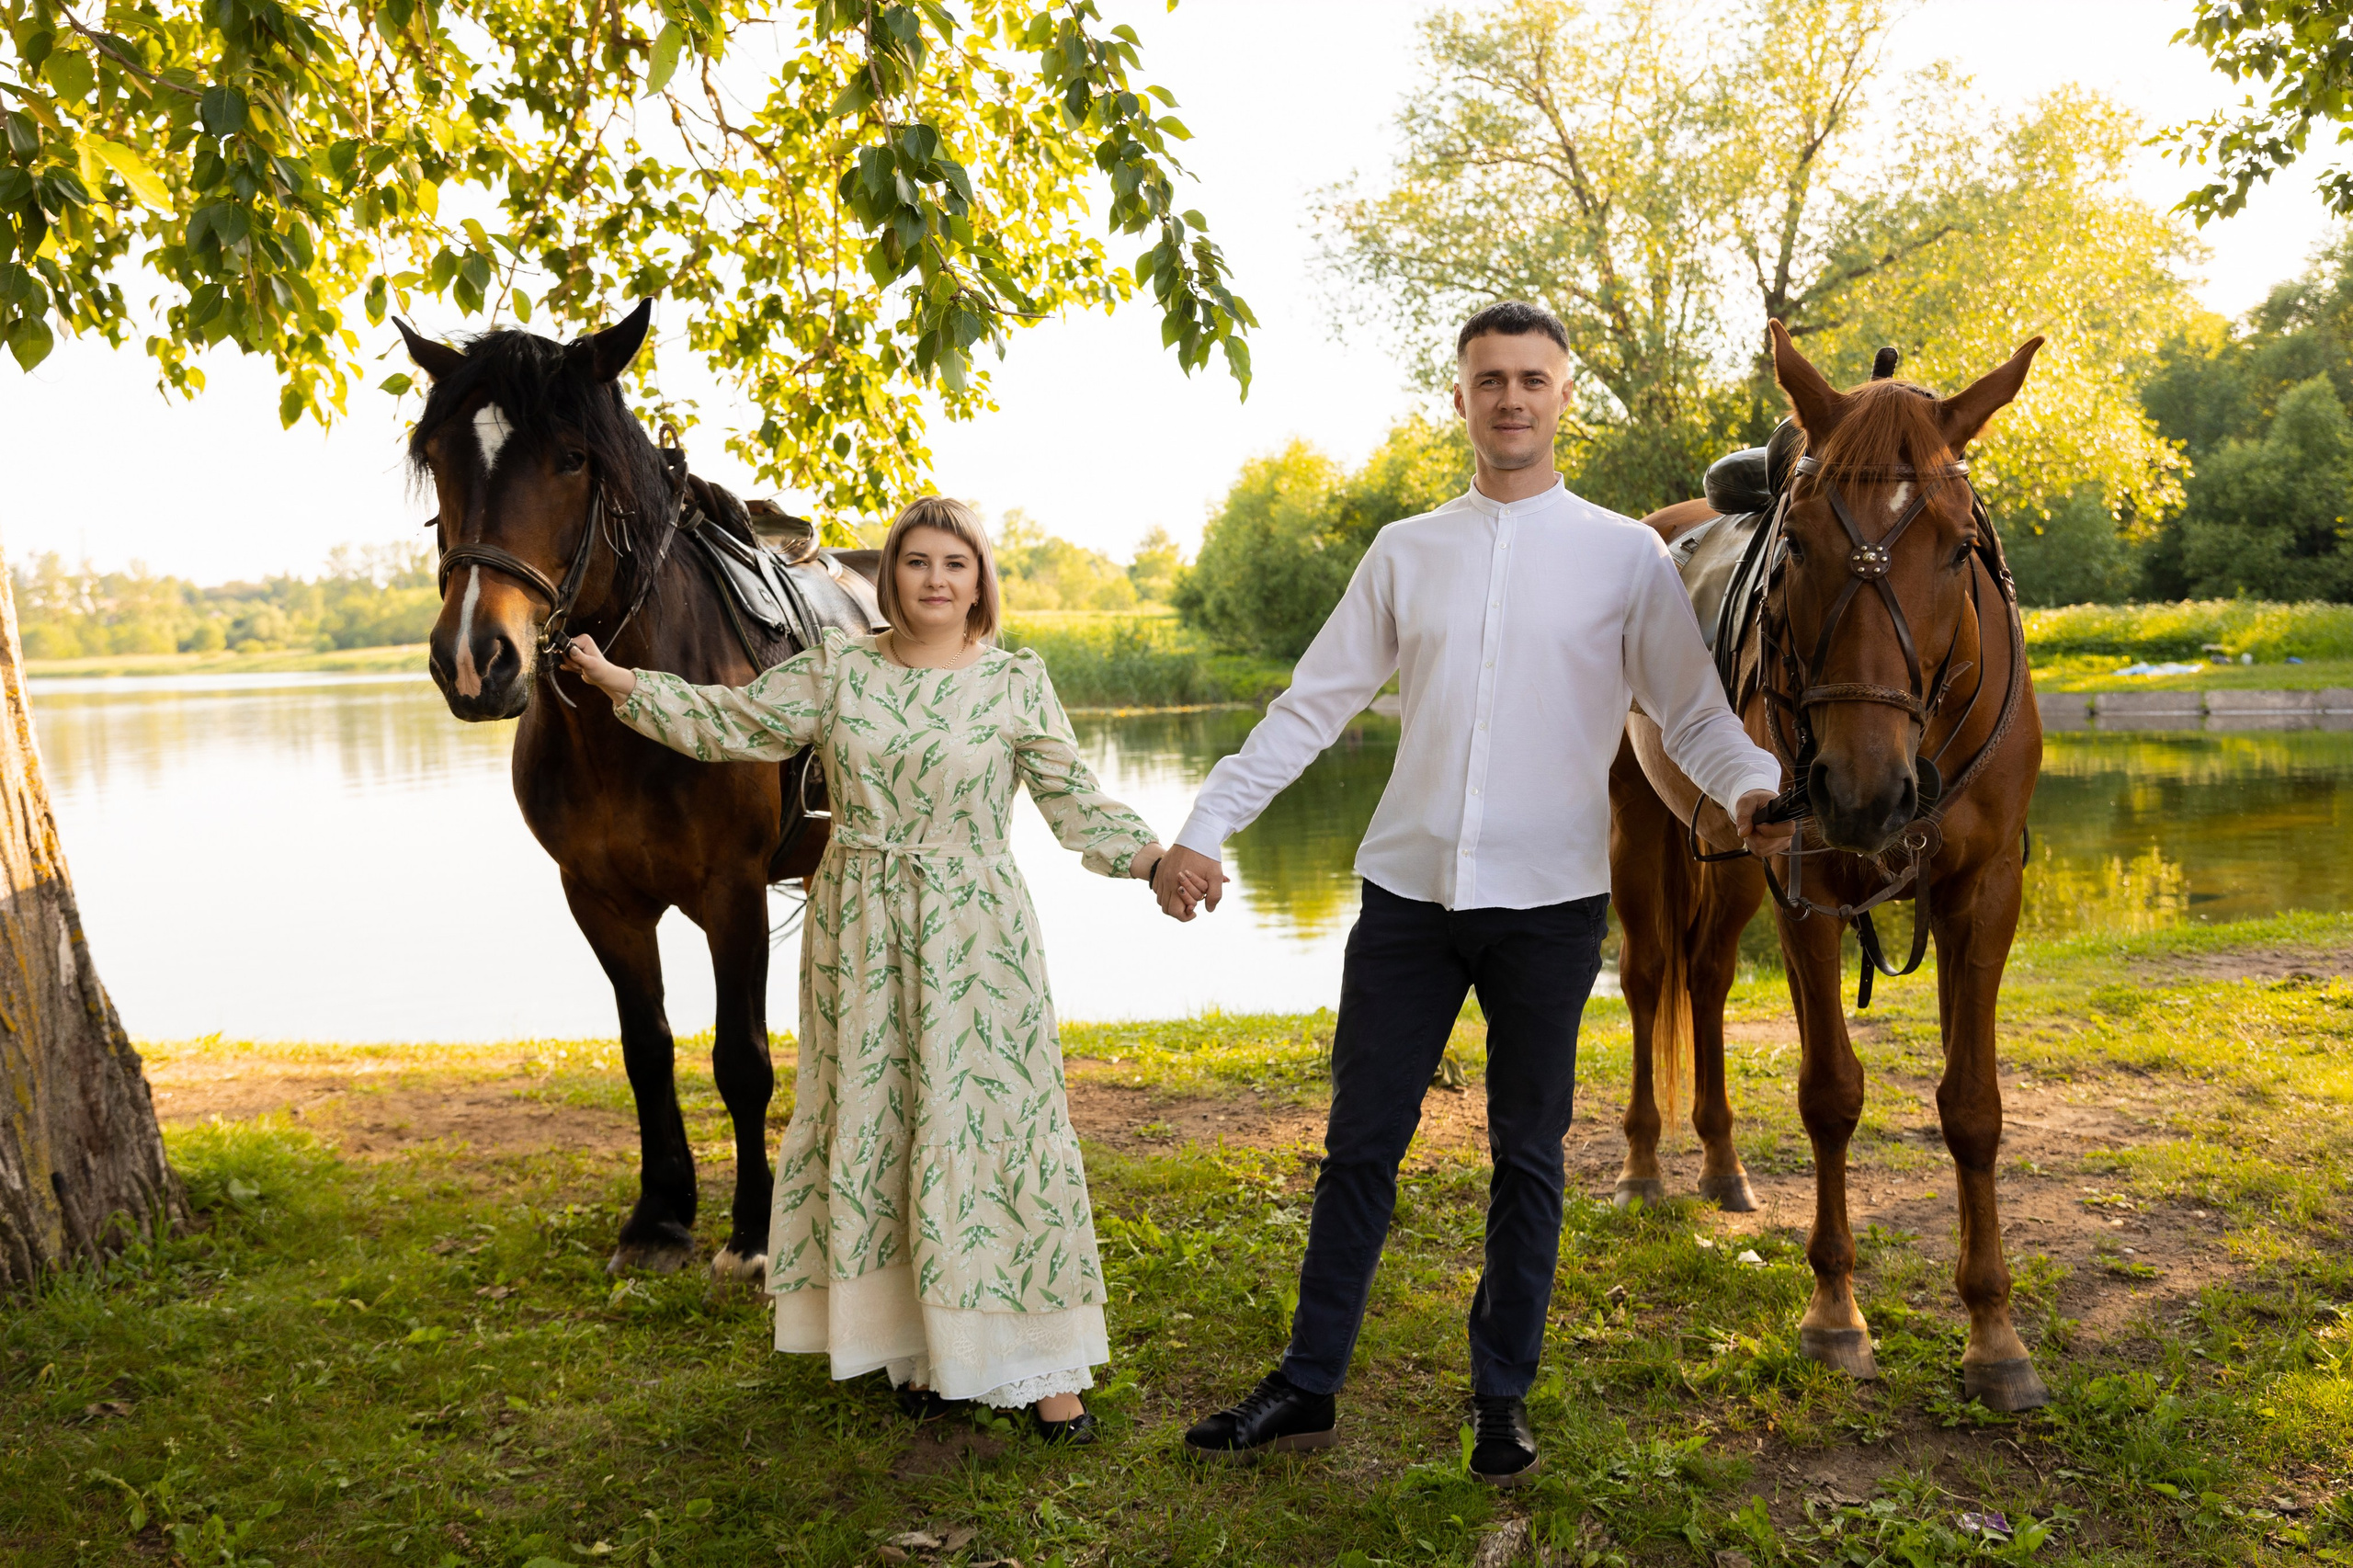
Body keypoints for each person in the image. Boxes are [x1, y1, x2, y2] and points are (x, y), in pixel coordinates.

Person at [1156, 301, 1793, 1484]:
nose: (1510, 397)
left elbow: (1689, 710)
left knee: (1528, 1156)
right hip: (1406, 898)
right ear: (1459, 398)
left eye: (1532, 378)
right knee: (1359, 1146)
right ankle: (1307, 1382)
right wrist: (1199, 829)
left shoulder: (1624, 554)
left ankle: (1500, 1396)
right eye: (1489, 378)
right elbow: (1312, 704)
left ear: (1564, 399)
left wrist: (1750, 785)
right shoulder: (1405, 548)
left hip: (1549, 907)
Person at [564, 495, 1184, 1442]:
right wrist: (615, 679)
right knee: (885, 1125)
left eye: (956, 563)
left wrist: (1152, 860)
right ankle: (920, 1350)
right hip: (858, 927)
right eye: (916, 561)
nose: (935, 578)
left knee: (991, 1129)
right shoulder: (838, 670)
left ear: (980, 582)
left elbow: (1074, 801)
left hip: (976, 935)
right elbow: (732, 721)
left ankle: (1045, 1371)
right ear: (888, 574)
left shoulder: (1015, 680)